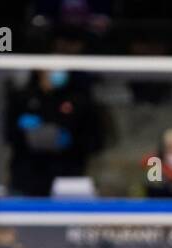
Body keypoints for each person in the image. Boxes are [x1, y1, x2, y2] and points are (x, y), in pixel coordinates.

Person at [6, 65, 103, 197]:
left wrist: (71, 141)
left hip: (68, 178)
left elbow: (95, 141)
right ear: (40, 69)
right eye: (52, 67)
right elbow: (7, 136)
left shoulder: (79, 100)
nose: (57, 71)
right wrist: (26, 134)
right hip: (27, 177)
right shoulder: (21, 98)